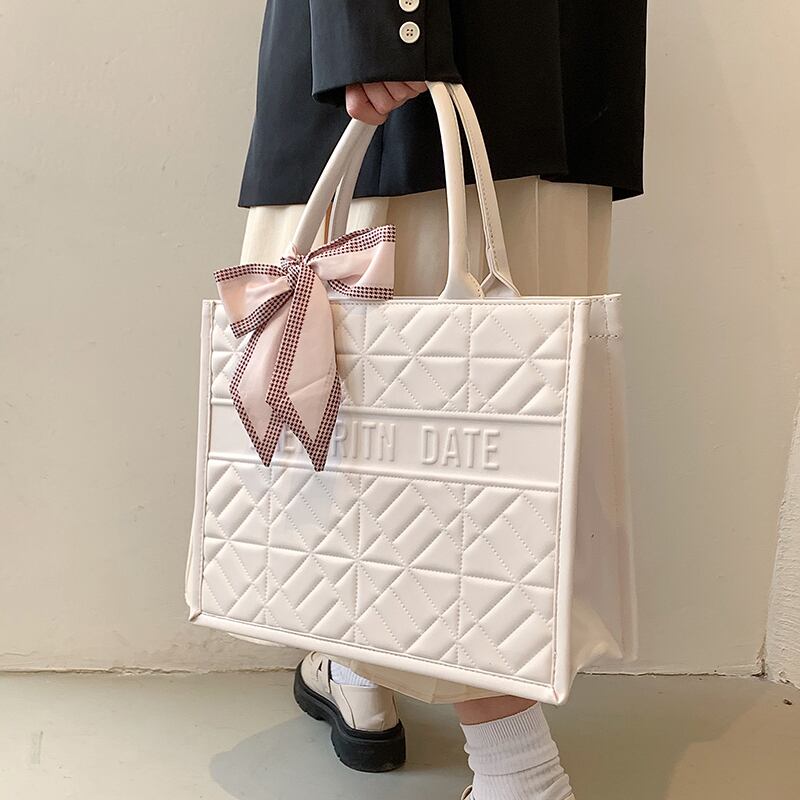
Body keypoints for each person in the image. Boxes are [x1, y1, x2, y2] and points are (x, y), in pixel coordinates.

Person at [237, 3, 647, 798]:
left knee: (436, 416)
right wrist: (387, 24)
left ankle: (515, 769)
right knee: (430, 406)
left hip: (463, 44)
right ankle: (361, 656)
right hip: (493, 50)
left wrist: (387, 26)